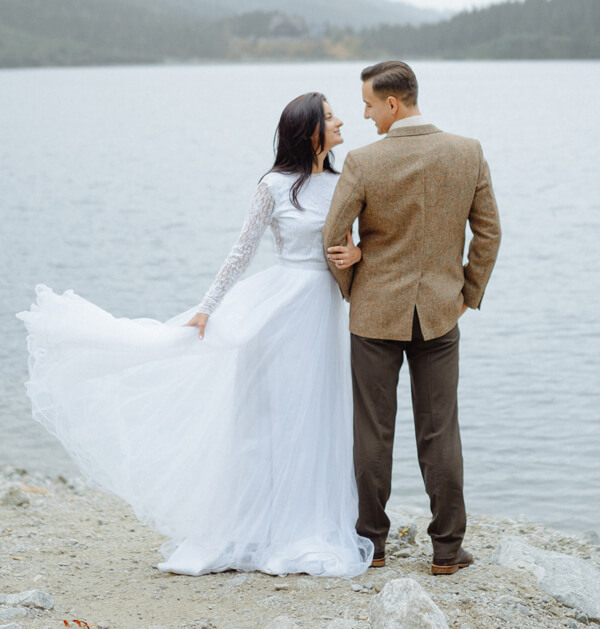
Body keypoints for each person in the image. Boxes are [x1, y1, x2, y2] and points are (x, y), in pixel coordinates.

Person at [17, 92, 374, 578]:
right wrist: (207, 307)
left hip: (322, 309)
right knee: (270, 419)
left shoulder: (343, 180)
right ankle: (257, 528)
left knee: (316, 414)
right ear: (308, 130)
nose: (340, 122)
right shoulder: (272, 185)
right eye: (329, 117)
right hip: (280, 312)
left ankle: (306, 527)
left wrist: (358, 254)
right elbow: (241, 251)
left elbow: (362, 239)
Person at [323, 61, 501, 575]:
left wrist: (355, 289)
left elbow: (333, 237)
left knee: (372, 431)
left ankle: (371, 545)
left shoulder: (362, 161)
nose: (364, 115)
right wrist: (468, 293)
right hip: (441, 314)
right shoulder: (467, 151)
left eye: (368, 105)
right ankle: (447, 549)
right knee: (440, 430)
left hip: (374, 315)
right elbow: (489, 233)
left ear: (392, 103)